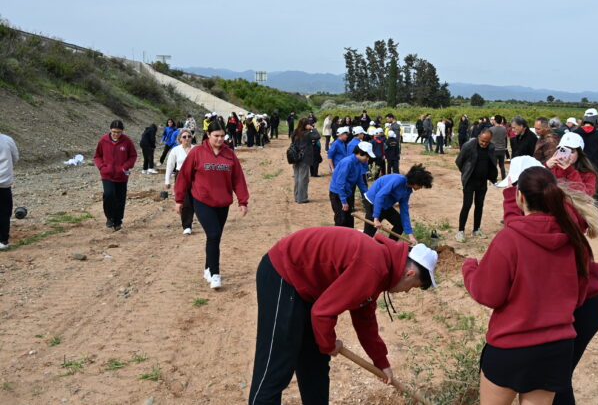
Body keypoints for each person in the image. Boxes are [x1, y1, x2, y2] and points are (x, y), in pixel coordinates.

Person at [248, 226, 438, 404]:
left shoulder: (383, 267)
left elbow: (365, 319)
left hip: (309, 287)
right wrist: (329, 344)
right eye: (413, 287)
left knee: (315, 362)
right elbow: (322, 313)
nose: (407, 291)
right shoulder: (374, 266)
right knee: (278, 363)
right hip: (284, 272)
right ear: (409, 274)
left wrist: (381, 362)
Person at [462, 165, 598, 405]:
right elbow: (581, 293)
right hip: (556, 350)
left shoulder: (509, 238)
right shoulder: (573, 237)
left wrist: (470, 269)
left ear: (519, 197)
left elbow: (488, 294)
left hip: (511, 347)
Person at [174, 120, 249, 289]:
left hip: (223, 202)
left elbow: (238, 178)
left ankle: (208, 268)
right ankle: (215, 274)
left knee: (215, 237)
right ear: (208, 135)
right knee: (214, 234)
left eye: (222, 136)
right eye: (216, 136)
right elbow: (184, 176)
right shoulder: (197, 152)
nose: (220, 139)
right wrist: (179, 200)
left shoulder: (229, 154)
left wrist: (242, 201)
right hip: (202, 200)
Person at [362, 164, 433, 244]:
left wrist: (411, 236)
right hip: (373, 202)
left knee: (400, 224)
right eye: (421, 185)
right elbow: (380, 196)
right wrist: (376, 218)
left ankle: (388, 246)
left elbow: (404, 211)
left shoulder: (408, 190)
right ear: (416, 182)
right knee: (368, 234)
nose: (420, 188)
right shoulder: (398, 180)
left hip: (385, 205)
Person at [94, 120, 137, 231]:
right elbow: (97, 156)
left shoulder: (127, 141)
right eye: (114, 132)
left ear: (122, 131)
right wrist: (102, 167)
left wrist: (125, 167)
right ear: (110, 130)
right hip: (107, 174)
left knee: (120, 198)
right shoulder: (103, 140)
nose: (116, 134)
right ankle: (109, 217)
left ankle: (118, 221)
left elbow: (133, 156)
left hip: (122, 175)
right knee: (108, 195)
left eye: (118, 132)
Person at [455, 129, 497, 243]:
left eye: (487, 142)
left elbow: (492, 162)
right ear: (479, 137)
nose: (484, 143)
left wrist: (492, 176)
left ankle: (476, 229)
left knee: (479, 205)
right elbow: (459, 161)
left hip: (482, 182)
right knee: (467, 205)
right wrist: (466, 172)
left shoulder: (491, 147)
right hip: (470, 181)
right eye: (482, 141)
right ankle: (460, 231)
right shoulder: (468, 146)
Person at [329, 143, 373, 227]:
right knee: (341, 220)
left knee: (349, 219)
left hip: (348, 192)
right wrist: (343, 201)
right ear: (360, 153)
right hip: (338, 194)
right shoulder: (347, 162)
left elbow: (360, 182)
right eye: (367, 156)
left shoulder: (358, 163)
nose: (367, 159)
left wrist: (367, 196)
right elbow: (340, 182)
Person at [165, 129, 195, 235]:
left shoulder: (196, 149)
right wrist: (167, 180)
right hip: (181, 176)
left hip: (195, 176)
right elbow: (170, 165)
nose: (187, 138)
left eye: (189, 136)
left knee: (196, 199)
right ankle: (187, 225)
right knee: (185, 201)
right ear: (180, 139)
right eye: (184, 137)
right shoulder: (175, 150)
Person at [291, 118, 321, 204]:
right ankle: (302, 198)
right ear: (306, 125)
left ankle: (297, 197)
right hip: (304, 158)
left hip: (295, 157)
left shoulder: (295, 132)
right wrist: (313, 128)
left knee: (297, 177)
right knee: (303, 178)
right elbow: (317, 136)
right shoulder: (307, 134)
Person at [0, 132, 20, 250]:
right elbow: (15, 158)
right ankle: (3, 241)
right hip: (4, 183)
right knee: (4, 212)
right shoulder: (7, 140)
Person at [490, 115, 508, 180]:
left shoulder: (491, 129)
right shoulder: (504, 129)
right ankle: (503, 178)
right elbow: (505, 137)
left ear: (495, 121)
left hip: (494, 149)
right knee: (502, 165)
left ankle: (494, 179)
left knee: (494, 166)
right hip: (502, 149)